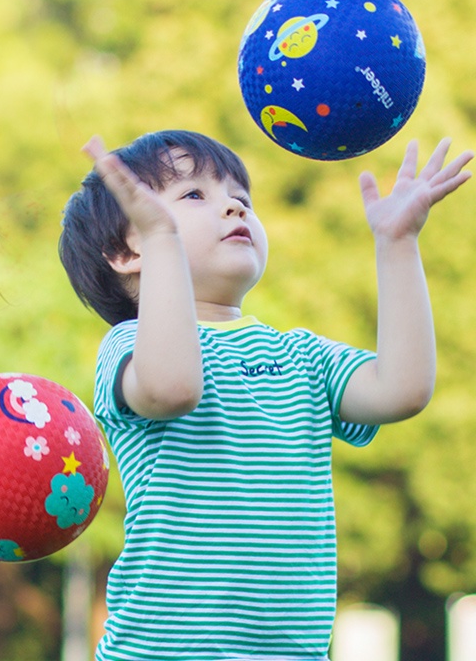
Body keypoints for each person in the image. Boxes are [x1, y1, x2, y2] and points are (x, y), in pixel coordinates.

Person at [58, 129, 473, 660]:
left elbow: (402, 389)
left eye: (242, 198)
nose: (234, 206)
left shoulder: (302, 354)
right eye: (194, 194)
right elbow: (173, 388)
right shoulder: (129, 345)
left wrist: (397, 245)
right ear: (125, 250)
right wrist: (162, 240)